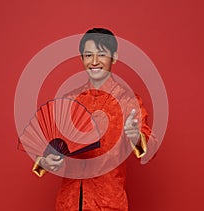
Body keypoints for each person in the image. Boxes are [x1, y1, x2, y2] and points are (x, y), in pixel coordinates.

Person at [32, 28, 152, 210]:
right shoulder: (70, 100)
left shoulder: (128, 101)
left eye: (101, 54)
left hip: (108, 202)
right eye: (88, 55)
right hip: (69, 202)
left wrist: (135, 136)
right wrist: (47, 161)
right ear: (82, 58)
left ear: (114, 57)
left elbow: (150, 145)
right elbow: (52, 145)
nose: (94, 62)